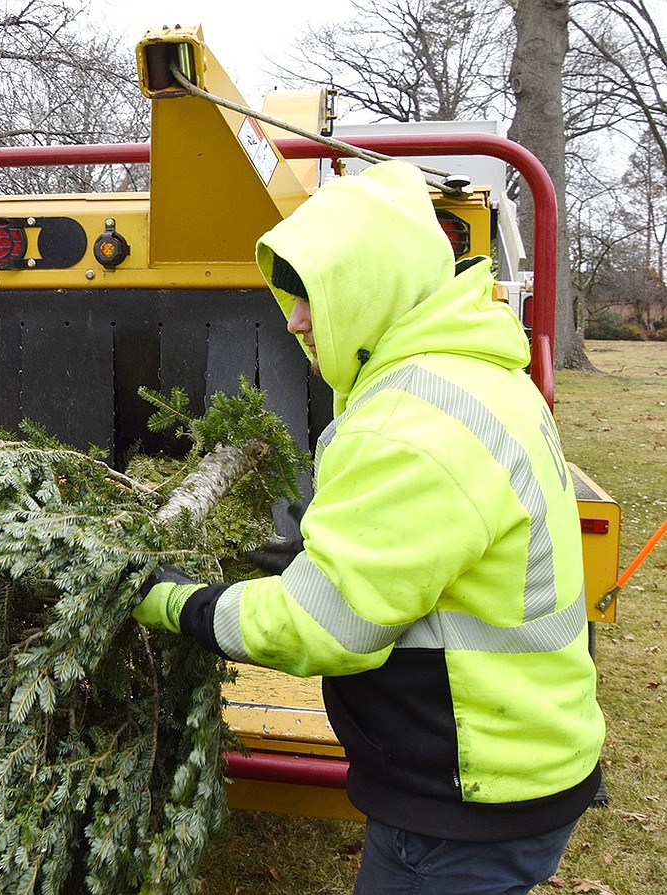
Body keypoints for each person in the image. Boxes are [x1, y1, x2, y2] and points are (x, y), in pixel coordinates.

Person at [134, 161, 604, 894]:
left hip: (467, 794)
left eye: (312, 295)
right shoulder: (475, 373)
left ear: (371, 286)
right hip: (522, 754)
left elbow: (318, 627)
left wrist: (174, 600)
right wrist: (327, 551)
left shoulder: (410, 422)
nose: (292, 319)